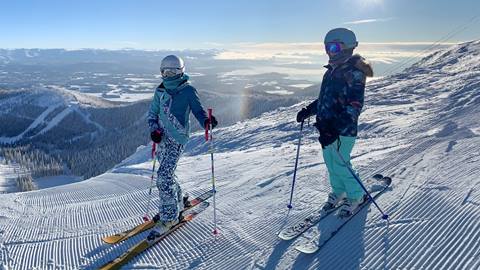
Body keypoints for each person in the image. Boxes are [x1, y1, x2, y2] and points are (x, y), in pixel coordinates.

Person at [296, 28, 373, 217]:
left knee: (341, 164)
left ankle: (357, 196)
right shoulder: (331, 71)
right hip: (326, 128)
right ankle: (339, 191)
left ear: (347, 48)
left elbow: (354, 105)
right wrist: (309, 110)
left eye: (334, 47)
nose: (330, 51)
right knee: (331, 163)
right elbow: (326, 98)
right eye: (327, 47)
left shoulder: (354, 73)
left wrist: (335, 128)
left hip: (342, 130)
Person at [147, 55, 218, 239]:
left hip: (177, 139)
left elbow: (198, 111)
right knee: (168, 174)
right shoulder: (160, 91)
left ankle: (171, 217)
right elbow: (152, 114)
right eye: (164, 72)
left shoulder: (187, 91)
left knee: (163, 177)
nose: (168, 75)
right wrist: (154, 130)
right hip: (163, 139)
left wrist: (206, 122)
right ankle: (178, 201)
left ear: (180, 72)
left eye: (172, 72)